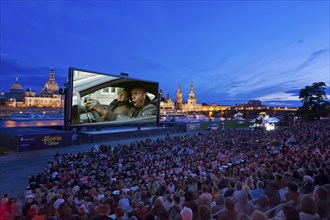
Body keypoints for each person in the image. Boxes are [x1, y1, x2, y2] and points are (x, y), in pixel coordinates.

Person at [85, 86, 157, 121]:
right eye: (132, 94)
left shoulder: (151, 108)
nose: (133, 97)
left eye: (136, 94)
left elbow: (135, 122)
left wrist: (103, 111)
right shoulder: (133, 106)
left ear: (144, 96)